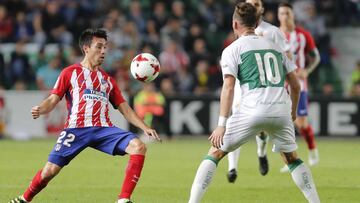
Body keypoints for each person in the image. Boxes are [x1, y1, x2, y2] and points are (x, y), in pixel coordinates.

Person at [8, 28, 160, 203]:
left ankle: (124, 199)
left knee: (139, 147)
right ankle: (24, 199)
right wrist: (40, 109)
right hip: (76, 129)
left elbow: (125, 108)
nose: (103, 51)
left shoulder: (108, 80)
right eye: (99, 46)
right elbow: (52, 99)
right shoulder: (70, 72)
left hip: (104, 129)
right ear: (86, 48)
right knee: (49, 172)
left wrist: (145, 127)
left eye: (105, 47)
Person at [188, 3, 320, 203]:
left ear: (234, 24)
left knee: (215, 153)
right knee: (291, 158)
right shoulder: (275, 47)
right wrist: (292, 112)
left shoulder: (232, 49)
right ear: (258, 22)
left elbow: (229, 87)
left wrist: (221, 124)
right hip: (281, 111)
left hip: (252, 110)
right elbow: (295, 85)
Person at [226, 0, 290, 182]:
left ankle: (261, 153)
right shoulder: (241, 27)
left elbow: (286, 59)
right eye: (250, 3)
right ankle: (232, 168)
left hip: (267, 86)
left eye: (256, 3)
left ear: (262, 8)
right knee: (233, 122)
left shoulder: (272, 32)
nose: (253, 5)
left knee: (262, 128)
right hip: (244, 83)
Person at [278, 3, 321, 172]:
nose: (285, 16)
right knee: (283, 123)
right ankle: (289, 160)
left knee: (301, 123)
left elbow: (315, 57)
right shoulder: (274, 34)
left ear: (292, 14)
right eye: (281, 13)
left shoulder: (303, 35)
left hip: (299, 86)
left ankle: (312, 149)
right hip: (279, 86)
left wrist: (307, 71)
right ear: (278, 15)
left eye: (287, 13)